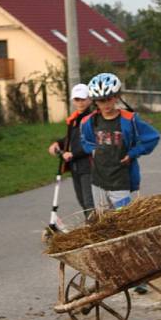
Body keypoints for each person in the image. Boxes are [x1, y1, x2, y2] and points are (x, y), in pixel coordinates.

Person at [80, 73, 160, 212]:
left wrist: (133, 153)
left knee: (124, 220)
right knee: (104, 222)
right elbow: (85, 140)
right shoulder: (89, 122)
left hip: (120, 181)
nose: (105, 104)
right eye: (100, 100)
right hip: (98, 181)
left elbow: (152, 137)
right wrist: (93, 150)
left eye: (109, 99)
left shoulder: (130, 119)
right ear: (95, 101)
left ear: (116, 97)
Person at [48, 83, 94, 219]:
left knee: (89, 201)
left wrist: (73, 153)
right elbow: (70, 139)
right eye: (77, 99)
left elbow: (91, 142)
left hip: (89, 165)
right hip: (75, 166)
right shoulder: (73, 120)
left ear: (90, 100)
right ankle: (92, 226)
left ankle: (96, 229)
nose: (80, 103)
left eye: (83, 99)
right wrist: (58, 144)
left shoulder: (92, 119)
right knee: (82, 201)